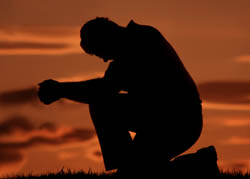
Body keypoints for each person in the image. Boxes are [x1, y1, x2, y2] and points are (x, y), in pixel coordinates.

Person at [38, 17, 203, 175]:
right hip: (165, 120)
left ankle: (125, 163)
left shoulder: (140, 42)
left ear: (106, 38)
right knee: (140, 170)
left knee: (103, 106)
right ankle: (200, 164)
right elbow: (103, 88)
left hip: (178, 122)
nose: (103, 59)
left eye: (99, 51)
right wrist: (61, 89)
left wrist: (60, 89)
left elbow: (101, 91)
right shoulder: (139, 39)